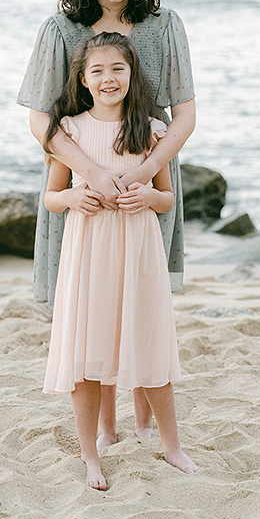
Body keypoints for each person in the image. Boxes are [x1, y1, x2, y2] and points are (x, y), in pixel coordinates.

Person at [18, 0, 196, 447]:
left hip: (149, 161)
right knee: (92, 300)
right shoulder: (60, 29)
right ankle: (104, 429)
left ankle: (146, 425)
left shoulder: (166, 26)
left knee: (144, 296)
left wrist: (142, 172)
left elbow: (184, 117)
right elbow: (40, 120)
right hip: (81, 168)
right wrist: (91, 173)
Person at [41, 32, 198, 490]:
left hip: (138, 248)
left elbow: (168, 200)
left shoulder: (150, 129)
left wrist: (149, 194)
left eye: (117, 69)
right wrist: (71, 196)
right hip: (88, 249)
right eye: (98, 71)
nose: (108, 79)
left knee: (149, 342)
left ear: (131, 75)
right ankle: (91, 456)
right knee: (87, 349)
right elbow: (50, 197)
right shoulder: (69, 130)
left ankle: (172, 447)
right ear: (83, 80)